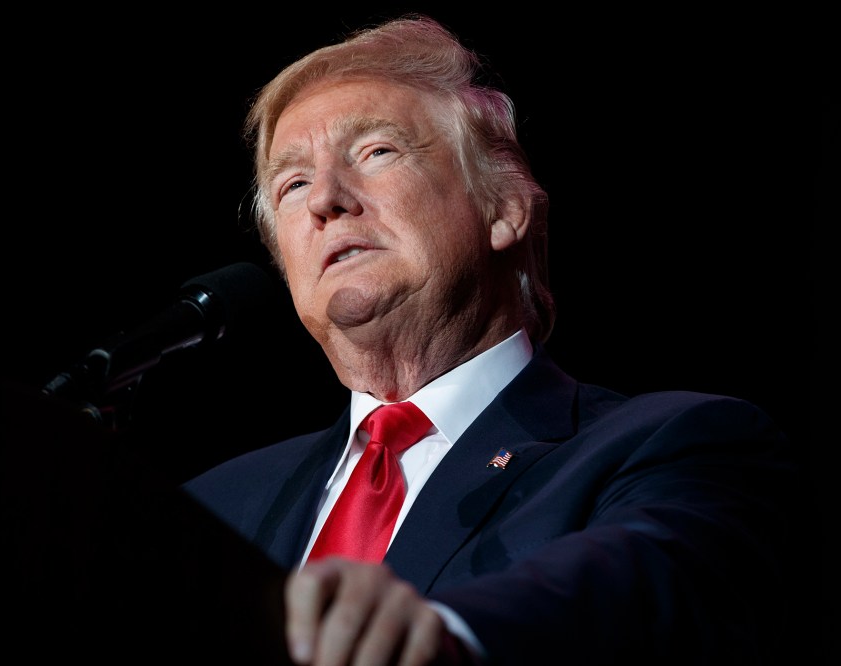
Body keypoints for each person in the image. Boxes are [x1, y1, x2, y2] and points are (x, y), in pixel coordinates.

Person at [183, 13, 803, 665]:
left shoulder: (672, 444)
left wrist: (441, 634)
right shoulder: (211, 507)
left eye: (375, 152)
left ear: (503, 208)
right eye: (293, 183)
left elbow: (638, 585)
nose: (325, 202)